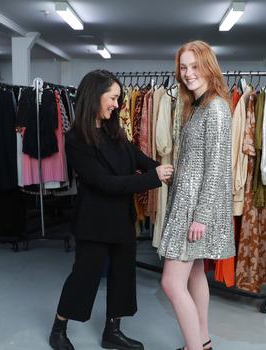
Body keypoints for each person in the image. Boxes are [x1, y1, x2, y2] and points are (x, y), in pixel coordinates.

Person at [49, 69, 174, 350]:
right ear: (95, 96)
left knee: (123, 275)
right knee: (84, 275)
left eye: (118, 99)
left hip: (120, 216)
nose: (117, 105)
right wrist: (153, 178)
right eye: (113, 98)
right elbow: (104, 182)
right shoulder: (76, 139)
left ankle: (112, 331)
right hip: (94, 220)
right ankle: (59, 328)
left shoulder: (112, 129)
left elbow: (136, 157)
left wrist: (164, 171)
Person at [157, 41, 235, 350]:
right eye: (183, 67)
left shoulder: (215, 107)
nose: (188, 73)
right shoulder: (197, 105)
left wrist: (201, 216)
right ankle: (202, 342)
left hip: (194, 208)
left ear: (208, 67)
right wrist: (175, 174)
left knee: (171, 282)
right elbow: (198, 160)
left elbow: (216, 167)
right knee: (195, 275)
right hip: (187, 198)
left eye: (194, 66)